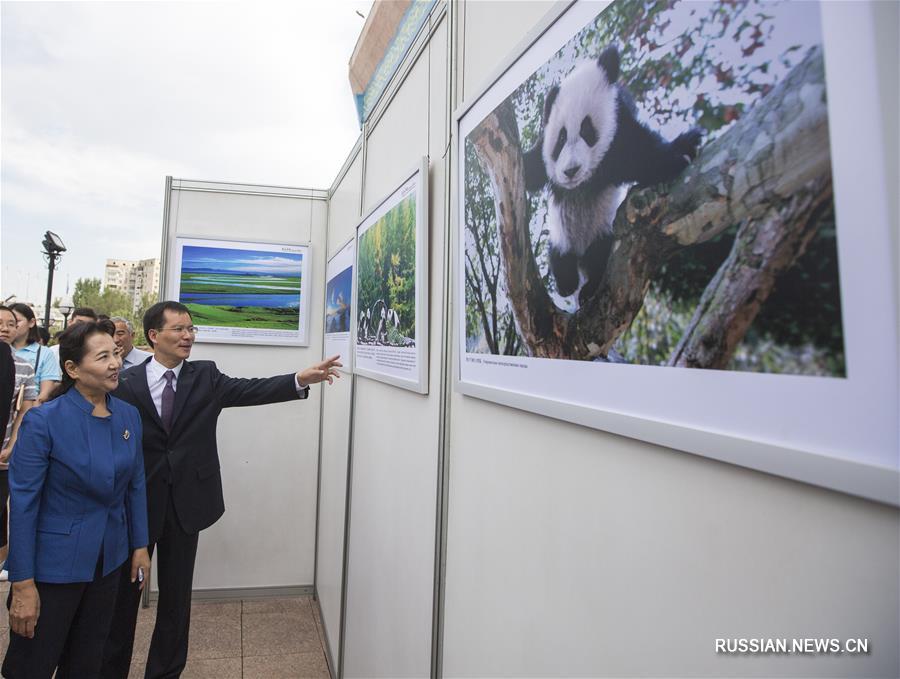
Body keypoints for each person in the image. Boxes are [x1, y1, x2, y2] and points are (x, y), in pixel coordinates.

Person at [101, 301, 341, 678]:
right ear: (153, 335)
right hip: (138, 507)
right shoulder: (124, 385)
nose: (188, 336)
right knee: (121, 602)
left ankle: (164, 673)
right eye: (179, 329)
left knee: (175, 601)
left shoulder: (205, 376)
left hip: (187, 505)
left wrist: (299, 379)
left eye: (191, 329)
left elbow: (249, 391)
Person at [2, 320, 150, 679]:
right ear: (72, 369)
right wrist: (22, 584)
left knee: (87, 661)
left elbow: (136, 484)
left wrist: (140, 545)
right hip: (53, 568)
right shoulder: (44, 421)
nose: (115, 363)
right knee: (33, 664)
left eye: (116, 354)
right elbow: (23, 505)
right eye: (103, 357)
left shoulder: (128, 415)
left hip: (109, 562)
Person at [0, 307, 39, 582]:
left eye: (11, 323)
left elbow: (25, 409)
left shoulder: (23, 366)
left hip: (3, 457)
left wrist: (12, 445)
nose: (5, 327)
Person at [8, 303, 60, 403]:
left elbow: (45, 393)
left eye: (17, 321)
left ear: (31, 322)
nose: (13, 325)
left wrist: (29, 413)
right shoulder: (4, 350)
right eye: (10, 322)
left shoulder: (45, 353)